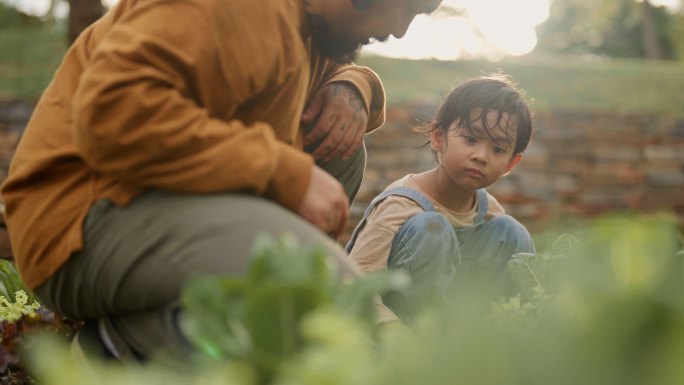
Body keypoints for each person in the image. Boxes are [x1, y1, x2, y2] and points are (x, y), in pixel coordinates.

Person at [1, 0, 444, 360]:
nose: (399, 31)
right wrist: (280, 171)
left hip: (150, 203)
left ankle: (171, 326)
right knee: (311, 297)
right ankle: (117, 351)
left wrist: (354, 87)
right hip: (82, 221)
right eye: (408, 10)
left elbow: (317, 73)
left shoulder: (308, 28)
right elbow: (112, 114)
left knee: (340, 153)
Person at [346, 76, 536, 321]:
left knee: (512, 232)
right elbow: (357, 282)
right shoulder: (398, 205)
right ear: (438, 137)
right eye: (471, 139)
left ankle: (486, 341)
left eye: (498, 149)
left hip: (456, 332)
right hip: (401, 332)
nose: (481, 156)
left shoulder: (490, 211)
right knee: (432, 227)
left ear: (511, 163)